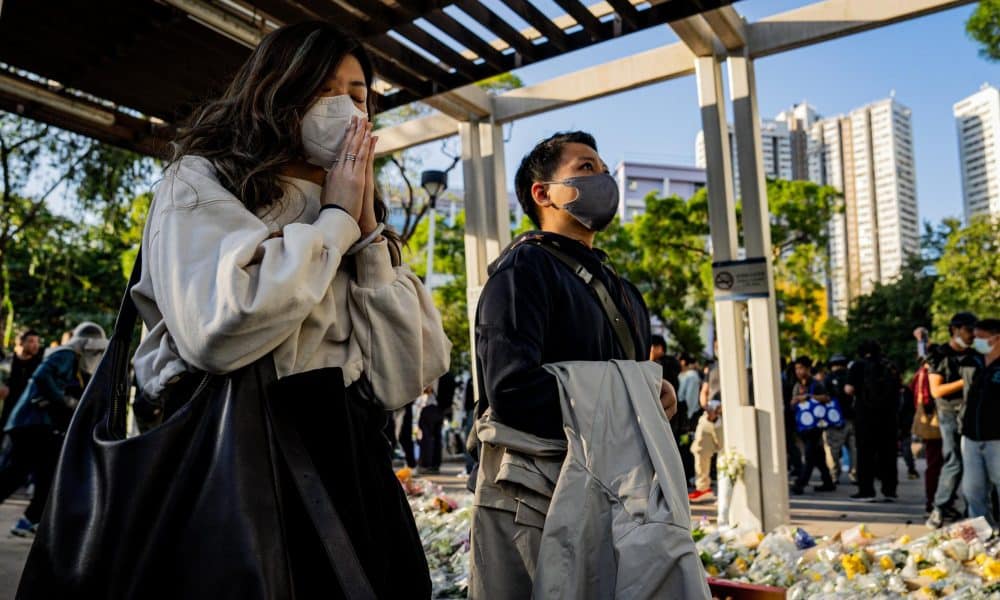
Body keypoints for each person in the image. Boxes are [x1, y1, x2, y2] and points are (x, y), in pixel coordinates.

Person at [129, 22, 450, 596]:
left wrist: (369, 237)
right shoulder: (201, 180)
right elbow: (219, 330)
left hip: (344, 458)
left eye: (359, 96)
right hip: (228, 456)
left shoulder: (360, 219)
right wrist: (333, 221)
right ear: (278, 90)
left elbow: (408, 376)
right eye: (327, 89)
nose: (348, 109)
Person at [471, 131, 677, 598]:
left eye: (604, 170)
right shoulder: (522, 271)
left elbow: (633, 384)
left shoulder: (623, 290)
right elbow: (512, 391)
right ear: (542, 193)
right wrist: (630, 396)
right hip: (541, 499)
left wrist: (654, 395)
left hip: (616, 496)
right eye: (585, 168)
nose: (602, 179)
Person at [0, 323, 107, 536]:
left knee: (47, 474)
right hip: (32, 424)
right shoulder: (66, 355)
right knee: (19, 474)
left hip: (39, 426)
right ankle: (30, 519)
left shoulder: (74, 362)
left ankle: (30, 520)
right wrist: (64, 401)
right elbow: (42, 377)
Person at [927, 312, 983, 528]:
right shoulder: (940, 355)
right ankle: (940, 507)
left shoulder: (976, 354)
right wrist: (965, 381)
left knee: (976, 464)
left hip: (974, 414)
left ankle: (975, 512)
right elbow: (936, 390)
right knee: (954, 462)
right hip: (949, 413)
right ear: (955, 330)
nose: (972, 335)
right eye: (969, 330)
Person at [846, 340, 900, 502]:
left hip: (865, 416)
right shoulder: (890, 365)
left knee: (865, 453)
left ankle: (866, 490)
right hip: (889, 417)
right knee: (888, 453)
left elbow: (849, 389)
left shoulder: (857, 366)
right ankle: (889, 490)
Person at [961, 318, 1000, 528]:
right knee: (972, 491)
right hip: (972, 439)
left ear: (996, 339)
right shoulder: (974, 362)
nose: (976, 342)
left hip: (997, 439)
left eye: (981, 338)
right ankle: (983, 535)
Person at [790, 356, 836, 495]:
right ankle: (828, 482)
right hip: (803, 426)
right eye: (797, 368)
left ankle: (800, 483)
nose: (798, 371)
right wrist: (795, 401)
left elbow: (827, 398)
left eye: (801, 368)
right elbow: (793, 402)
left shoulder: (816, 384)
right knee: (818, 455)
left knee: (810, 455)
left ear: (808, 369)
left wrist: (809, 397)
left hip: (815, 426)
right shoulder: (797, 385)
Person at [912, 344, 944, 514]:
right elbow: (927, 398)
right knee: (936, 463)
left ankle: (934, 500)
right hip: (936, 423)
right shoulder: (929, 373)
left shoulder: (920, 373)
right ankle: (934, 501)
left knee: (935, 463)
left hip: (930, 424)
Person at [0, 329, 43, 444]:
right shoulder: (7, 362)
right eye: (31, 341)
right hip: (7, 411)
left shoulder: (40, 365)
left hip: (27, 416)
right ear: (21, 343)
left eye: (37, 342)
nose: (35, 345)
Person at [690, 356, 724, 502]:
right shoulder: (712, 367)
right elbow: (704, 390)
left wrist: (720, 410)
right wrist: (706, 407)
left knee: (726, 453)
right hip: (708, 412)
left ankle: (727, 493)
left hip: (726, 414)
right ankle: (703, 488)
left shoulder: (741, 366)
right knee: (699, 449)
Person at [823, 355, 856, 484]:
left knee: (832, 451)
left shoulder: (829, 378)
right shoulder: (852, 377)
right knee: (854, 450)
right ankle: (855, 474)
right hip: (853, 418)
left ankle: (834, 475)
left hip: (834, 420)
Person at [416, 384, 443, 475]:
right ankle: (434, 464)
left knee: (426, 439)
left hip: (427, 408)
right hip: (436, 408)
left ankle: (426, 465)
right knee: (435, 438)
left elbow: (428, 389)